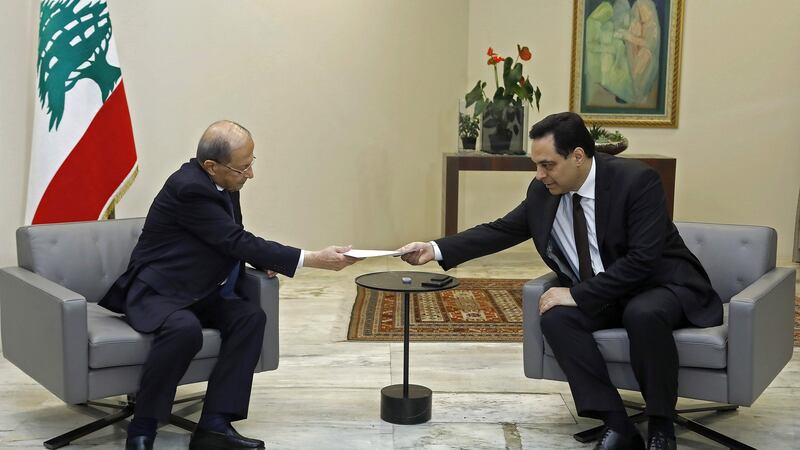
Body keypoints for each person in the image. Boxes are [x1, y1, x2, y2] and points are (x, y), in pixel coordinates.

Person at [399, 112, 722, 450]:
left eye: (548, 165)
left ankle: (660, 425)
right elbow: (501, 230)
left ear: (578, 157)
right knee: (556, 318)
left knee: (643, 313)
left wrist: (579, 293)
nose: (540, 175)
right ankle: (616, 423)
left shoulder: (636, 181)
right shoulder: (543, 192)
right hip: (608, 293)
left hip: (660, 284)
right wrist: (434, 249)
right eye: (536, 165)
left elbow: (643, 260)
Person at [99, 120, 361, 450]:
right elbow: (234, 238)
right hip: (161, 291)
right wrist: (312, 259)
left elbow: (226, 240)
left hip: (200, 289)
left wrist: (260, 260)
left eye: (251, 163)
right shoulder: (189, 188)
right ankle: (143, 427)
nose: (250, 174)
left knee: (250, 317)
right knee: (184, 329)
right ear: (212, 165)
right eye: (243, 167)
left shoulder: (224, 183)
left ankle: (214, 426)